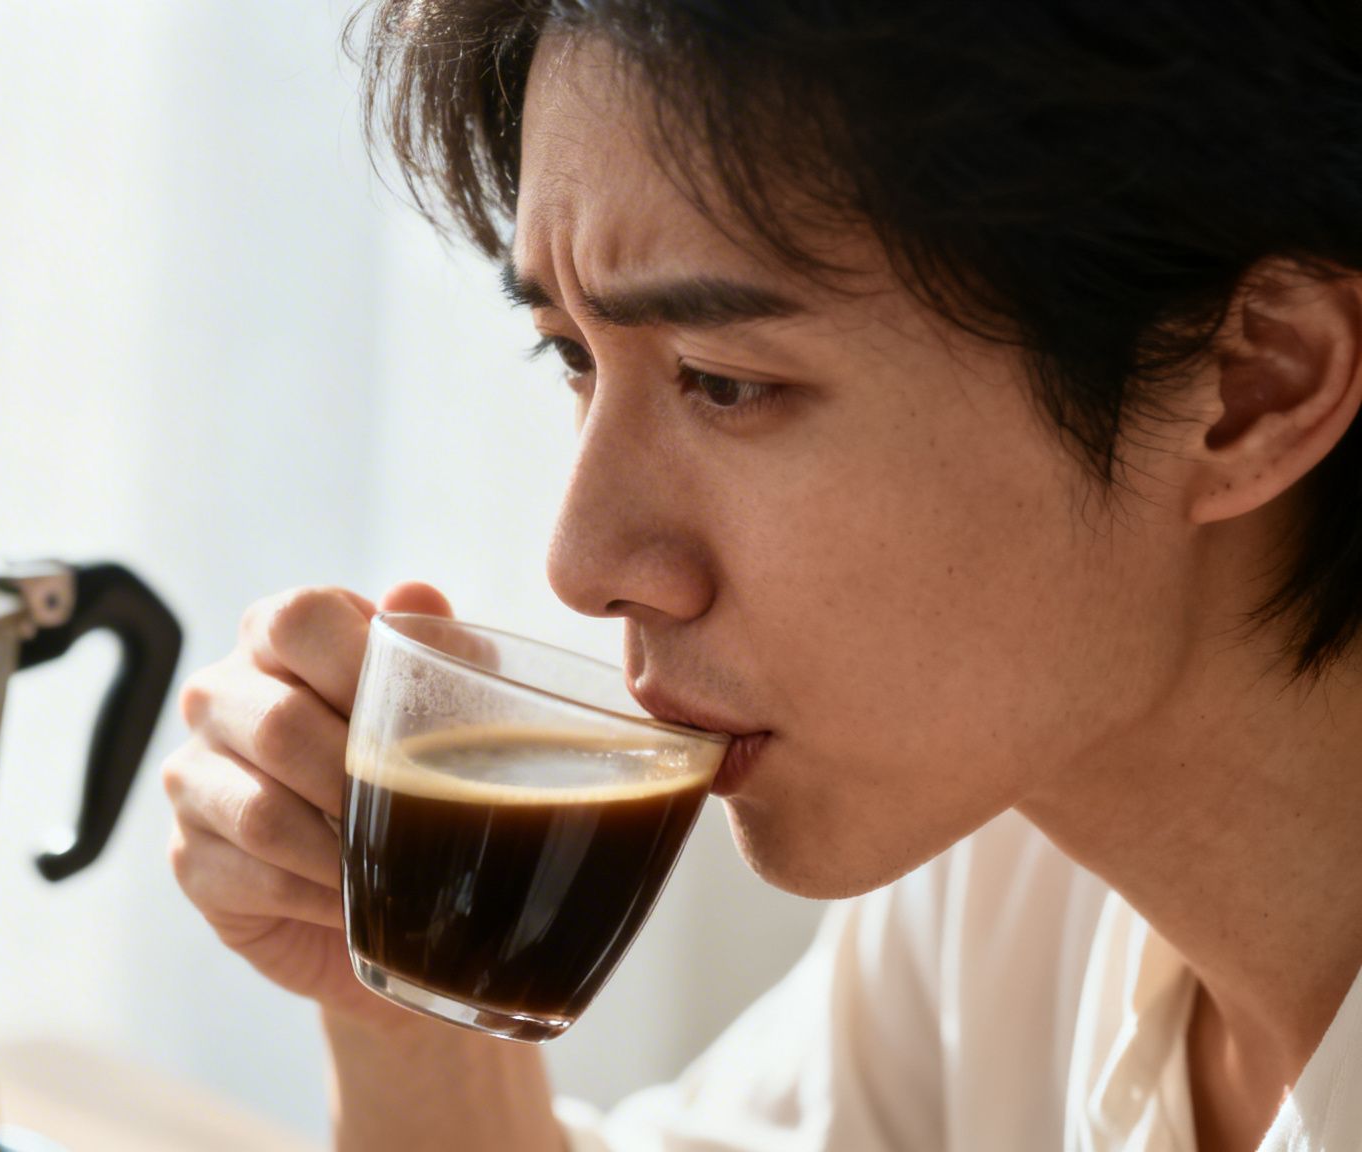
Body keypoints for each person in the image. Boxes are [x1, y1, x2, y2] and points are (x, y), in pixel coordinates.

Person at [162, 2, 1362, 1149]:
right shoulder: (1012, 870)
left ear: (1253, 385)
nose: (583, 564)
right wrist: (415, 999)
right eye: (572, 355)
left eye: (725, 381)